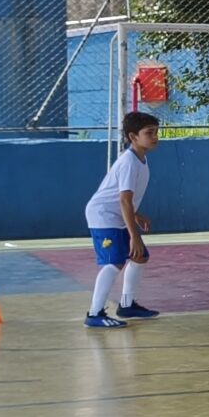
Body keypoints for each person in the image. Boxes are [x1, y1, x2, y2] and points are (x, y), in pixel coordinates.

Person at [84, 112, 161, 329]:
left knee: (139, 256)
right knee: (115, 261)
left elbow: (123, 198)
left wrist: (136, 215)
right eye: (149, 133)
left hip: (116, 213)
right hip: (103, 215)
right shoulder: (129, 162)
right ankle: (94, 313)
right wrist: (134, 236)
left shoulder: (141, 159)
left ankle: (127, 305)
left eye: (156, 132)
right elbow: (124, 200)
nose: (155, 136)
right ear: (133, 136)